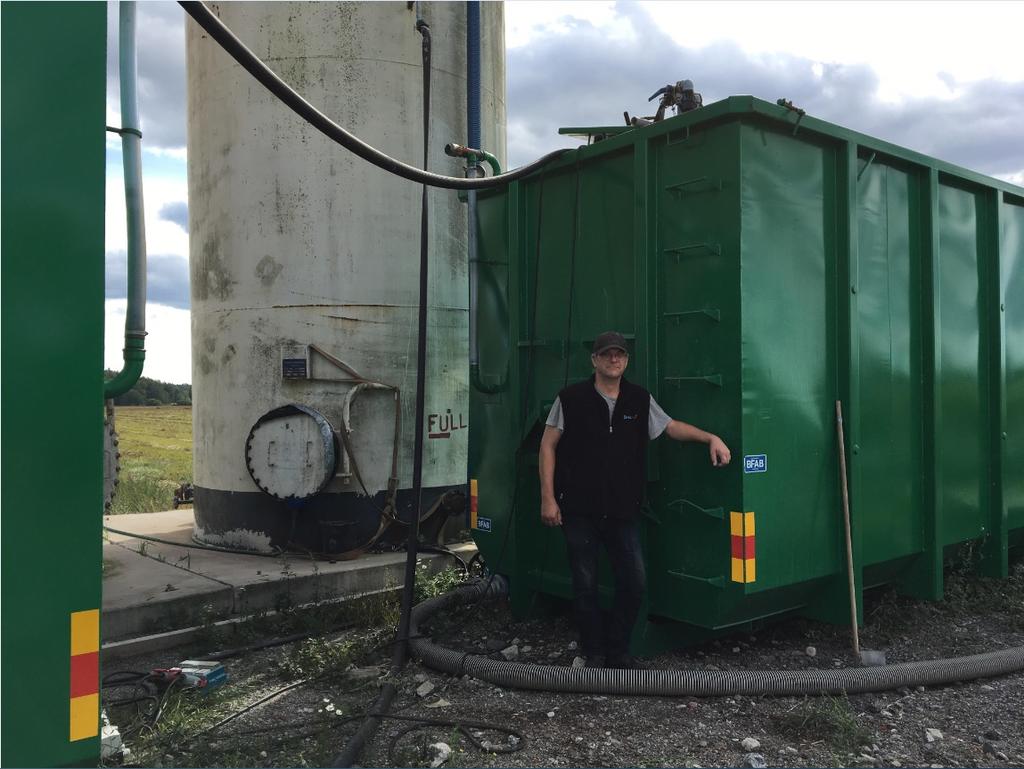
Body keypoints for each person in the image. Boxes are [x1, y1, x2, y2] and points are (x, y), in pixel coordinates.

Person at [538, 330, 731, 668]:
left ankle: (618, 651)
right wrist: (548, 498)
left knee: (634, 581)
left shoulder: (639, 400)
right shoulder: (570, 399)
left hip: (622, 511)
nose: (615, 359)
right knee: (585, 585)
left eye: (620, 355)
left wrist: (710, 437)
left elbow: (671, 428)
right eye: (607, 354)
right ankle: (593, 653)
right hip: (579, 509)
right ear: (594, 360)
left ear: (626, 361)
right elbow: (547, 446)